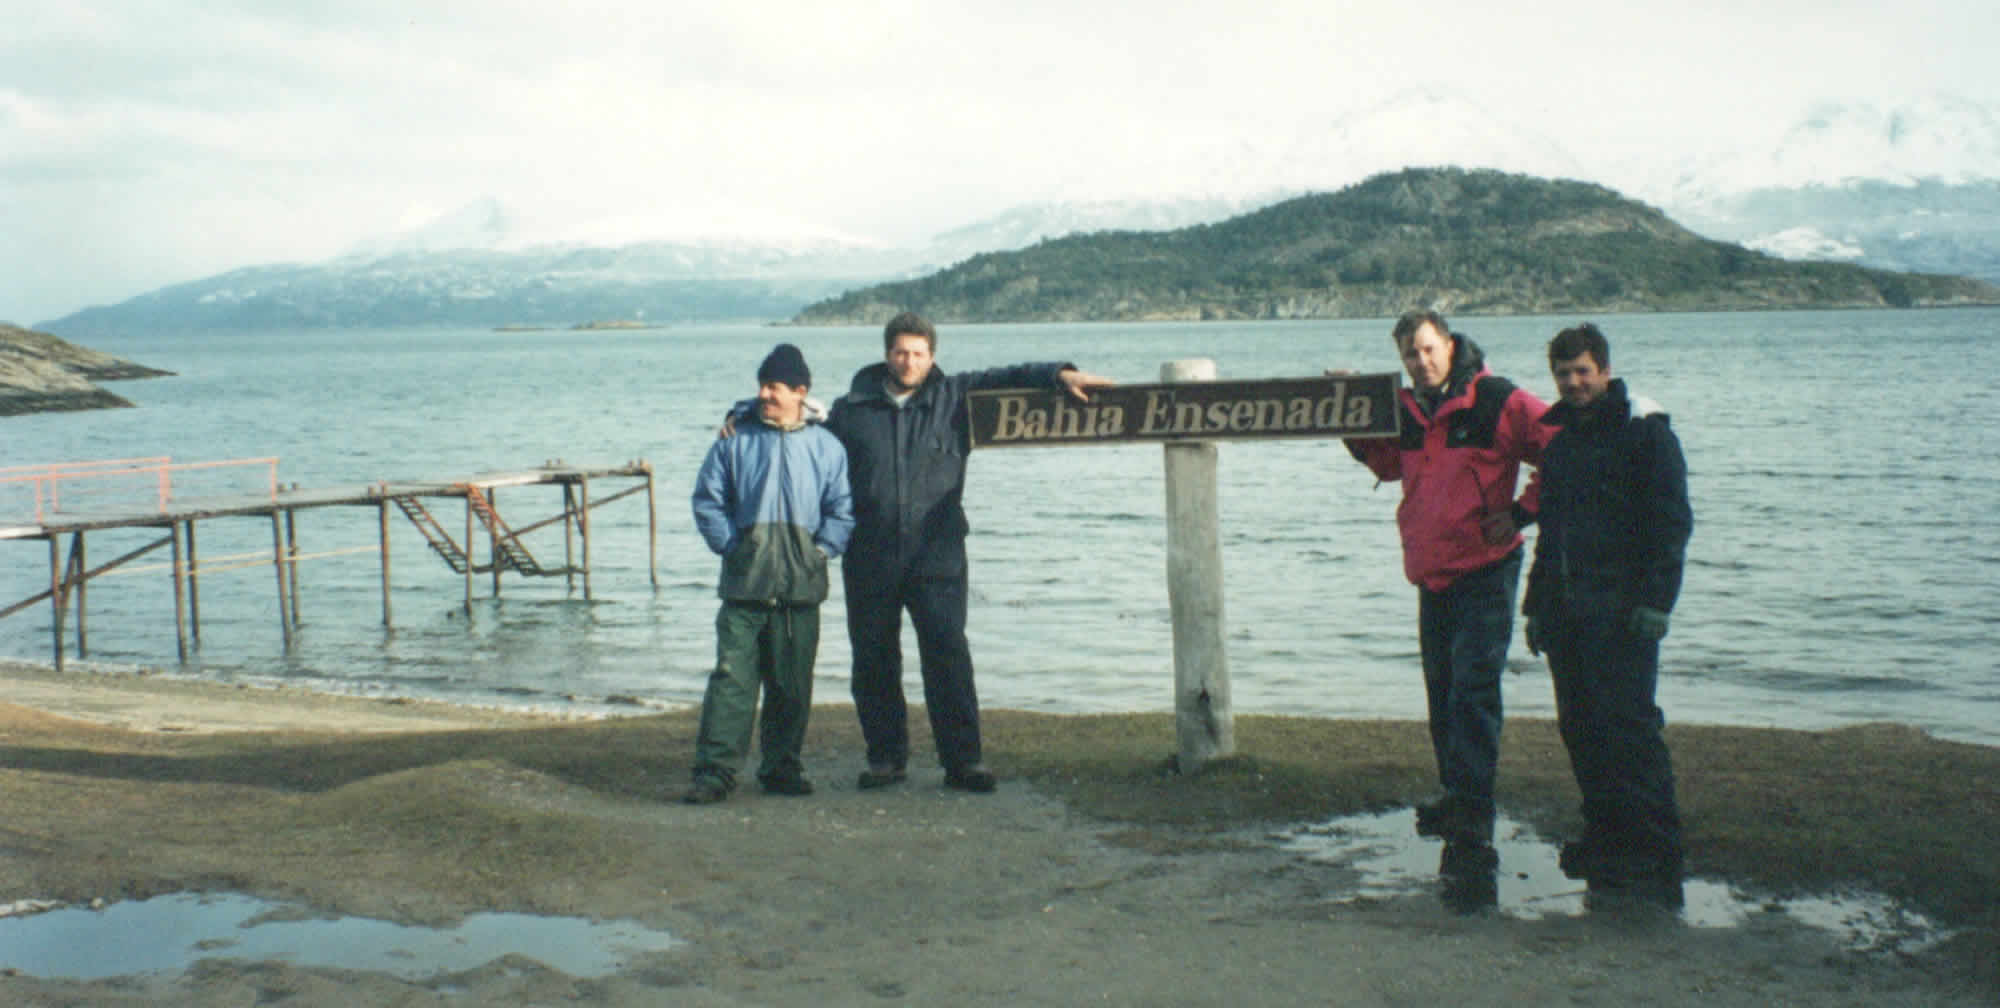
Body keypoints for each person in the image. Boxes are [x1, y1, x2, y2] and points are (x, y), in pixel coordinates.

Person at [828, 311, 1112, 792]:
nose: (908, 361)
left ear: (932, 356)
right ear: (885, 354)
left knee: (947, 655)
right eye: (900, 351)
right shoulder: (851, 408)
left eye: (918, 353)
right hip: (869, 555)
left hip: (937, 554)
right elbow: (797, 428)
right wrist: (740, 417)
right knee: (873, 660)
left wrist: (1060, 374)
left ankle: (963, 761)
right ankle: (885, 759)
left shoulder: (954, 396)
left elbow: (1010, 376)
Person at [1343, 309, 1551, 866]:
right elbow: (1391, 465)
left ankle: (1474, 810)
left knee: (1473, 690)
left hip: (1486, 567)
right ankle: (1453, 796)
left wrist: (1524, 510)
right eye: (1411, 354)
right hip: (1431, 570)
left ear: (1451, 346)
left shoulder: (1496, 398)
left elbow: (1562, 443)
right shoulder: (1408, 408)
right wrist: (1350, 421)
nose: (1422, 361)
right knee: (1442, 691)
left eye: (1429, 349)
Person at [1524, 323, 1693, 905]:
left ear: (1604, 371)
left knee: (1631, 732)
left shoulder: (1645, 433)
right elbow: (1550, 535)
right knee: (1581, 730)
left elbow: (1671, 523)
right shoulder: (1561, 442)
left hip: (1624, 613)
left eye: (1582, 372)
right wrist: (1536, 609)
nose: (1573, 383)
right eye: (1563, 373)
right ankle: (1606, 840)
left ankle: (1656, 854)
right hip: (1569, 613)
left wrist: (1656, 602)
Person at [685, 344, 853, 804]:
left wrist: (820, 551)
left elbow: (842, 510)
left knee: (792, 687)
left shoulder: (827, 447)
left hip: (801, 589)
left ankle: (781, 767)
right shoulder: (733, 441)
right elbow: (707, 501)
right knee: (731, 684)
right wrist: (732, 547)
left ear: (801, 392)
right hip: (744, 587)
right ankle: (715, 773)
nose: (764, 394)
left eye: (773, 386)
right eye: (761, 385)